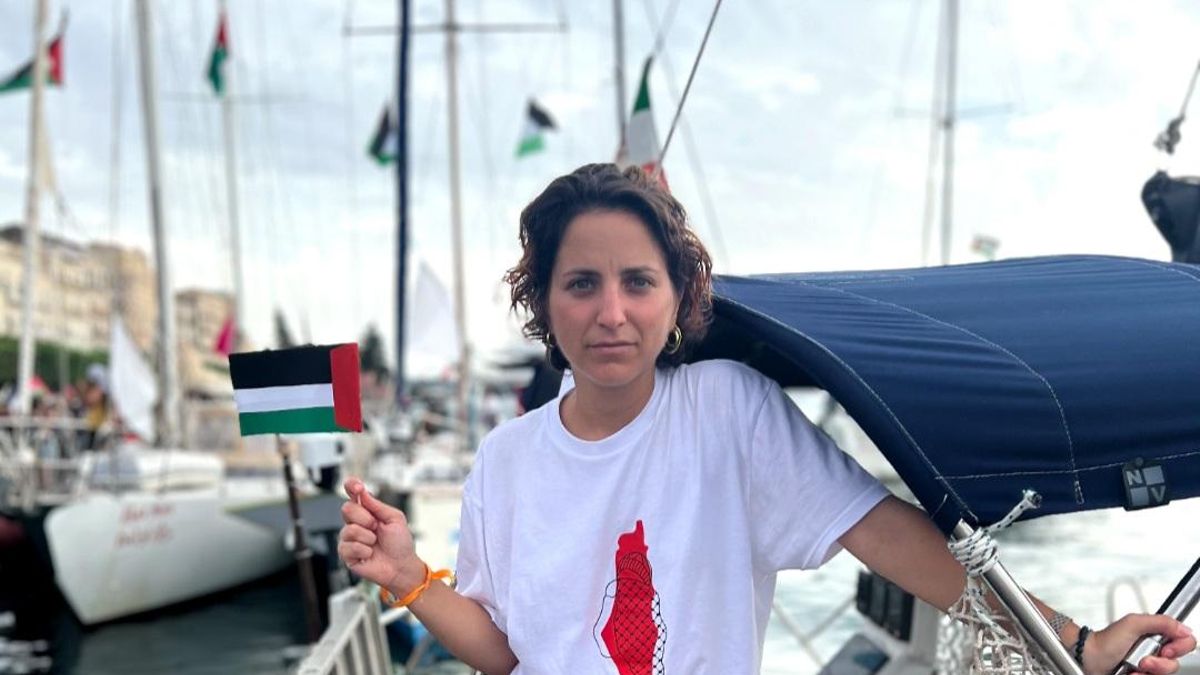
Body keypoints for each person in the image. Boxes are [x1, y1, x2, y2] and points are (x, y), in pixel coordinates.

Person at [339, 164, 1196, 674]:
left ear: (678, 296)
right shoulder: (506, 456)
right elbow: (503, 650)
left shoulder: (724, 410)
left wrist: (1076, 642)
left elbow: (895, 538)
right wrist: (409, 575)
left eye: (638, 281)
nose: (611, 311)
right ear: (544, 302)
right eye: (581, 283)